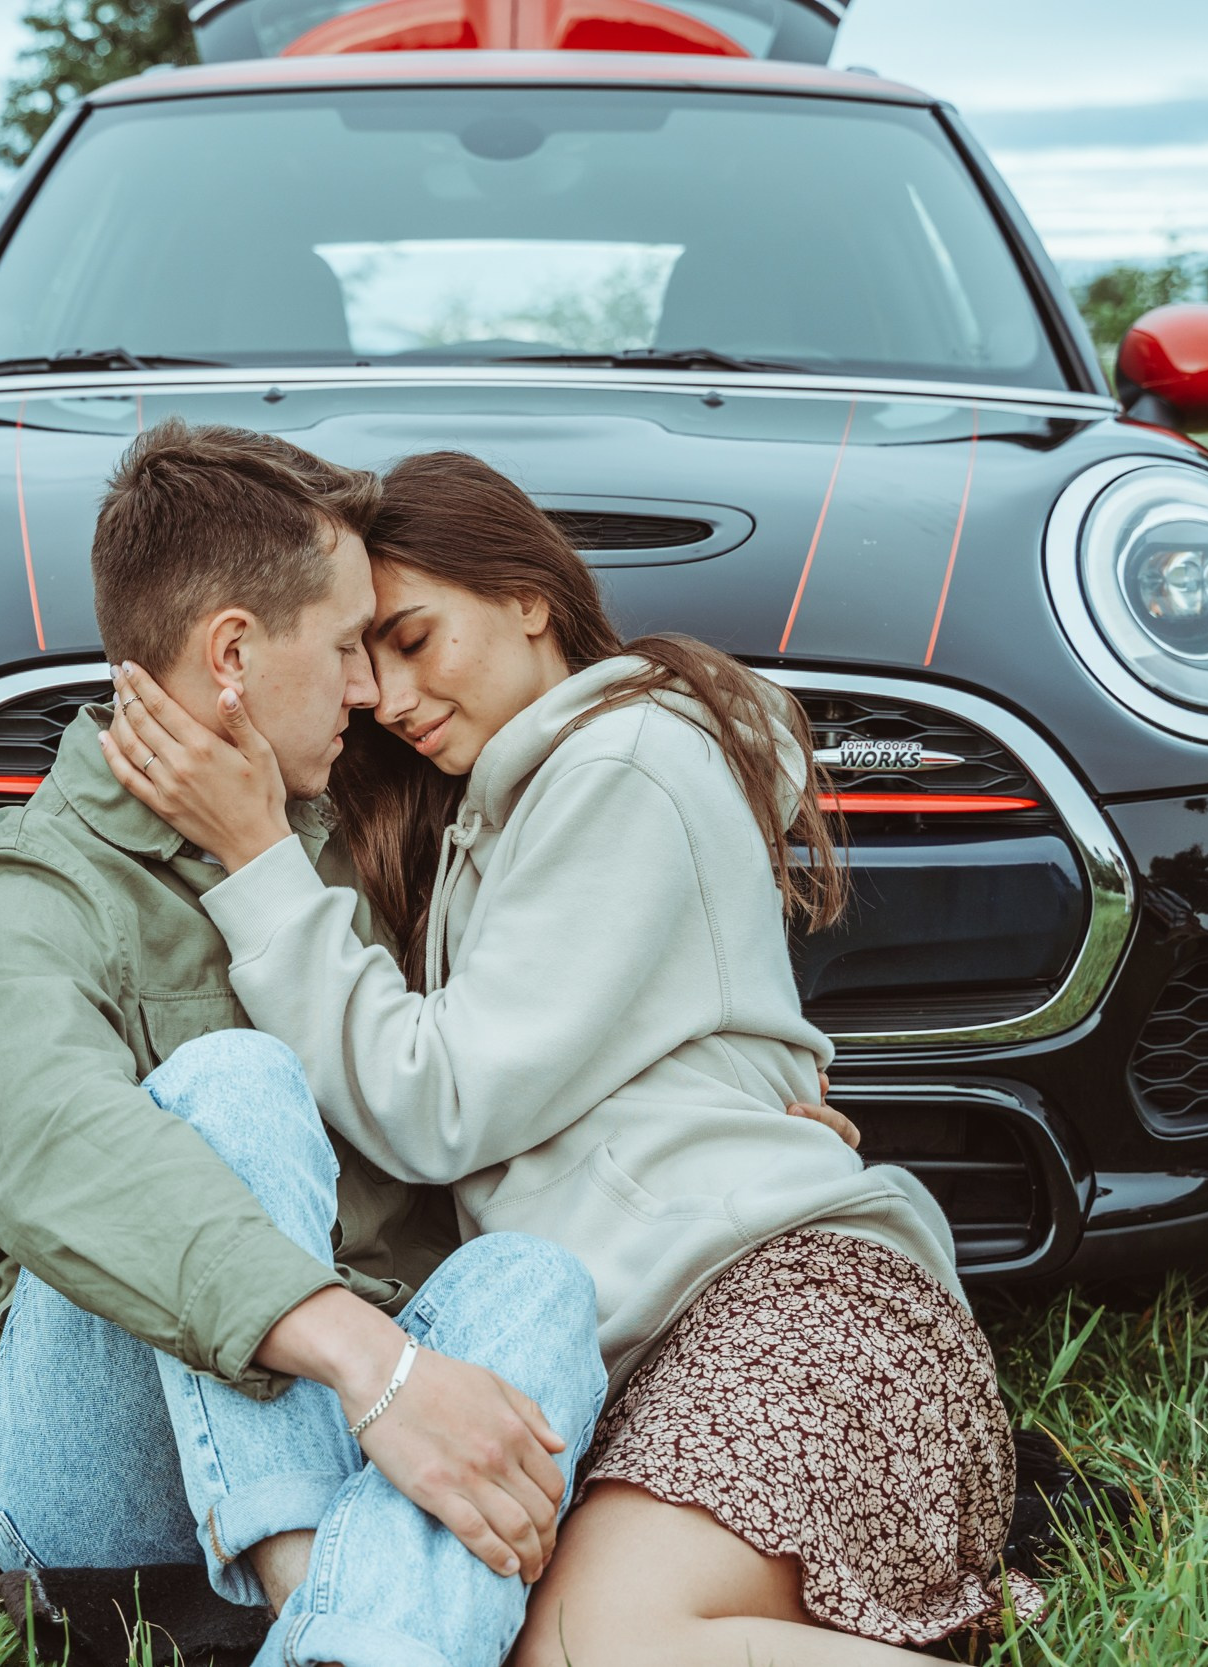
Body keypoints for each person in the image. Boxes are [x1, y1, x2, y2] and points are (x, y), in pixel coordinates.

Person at [100, 450, 1048, 1666]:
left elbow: (435, 1102)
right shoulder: (505, 806)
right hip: (655, 1342)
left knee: (596, 1639)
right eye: (360, 658)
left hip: (781, 1305)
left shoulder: (626, 763)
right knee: (522, 1631)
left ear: (527, 593)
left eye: (412, 636)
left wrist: (253, 854)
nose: (384, 693)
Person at [0, 419, 612, 1667]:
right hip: (101, 1484)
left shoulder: (360, 832)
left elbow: (528, 1016)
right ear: (231, 653)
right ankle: (310, 1580)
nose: (370, 689)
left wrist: (733, 1084)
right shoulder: (24, 890)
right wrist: (380, 1370)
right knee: (233, 1078)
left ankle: (347, 1642)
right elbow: (47, 1152)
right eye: (348, 645)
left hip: (377, 1419)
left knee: (538, 1280)